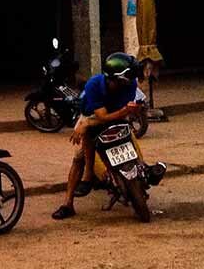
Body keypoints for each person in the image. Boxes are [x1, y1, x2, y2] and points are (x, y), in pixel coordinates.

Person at [51, 53, 142, 220]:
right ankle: (68, 202)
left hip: (117, 118)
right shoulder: (94, 85)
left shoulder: (130, 84)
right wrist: (85, 124)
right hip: (92, 116)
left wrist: (130, 112)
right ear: (116, 77)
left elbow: (126, 111)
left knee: (130, 139)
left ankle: (141, 171)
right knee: (79, 157)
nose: (132, 79)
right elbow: (101, 116)